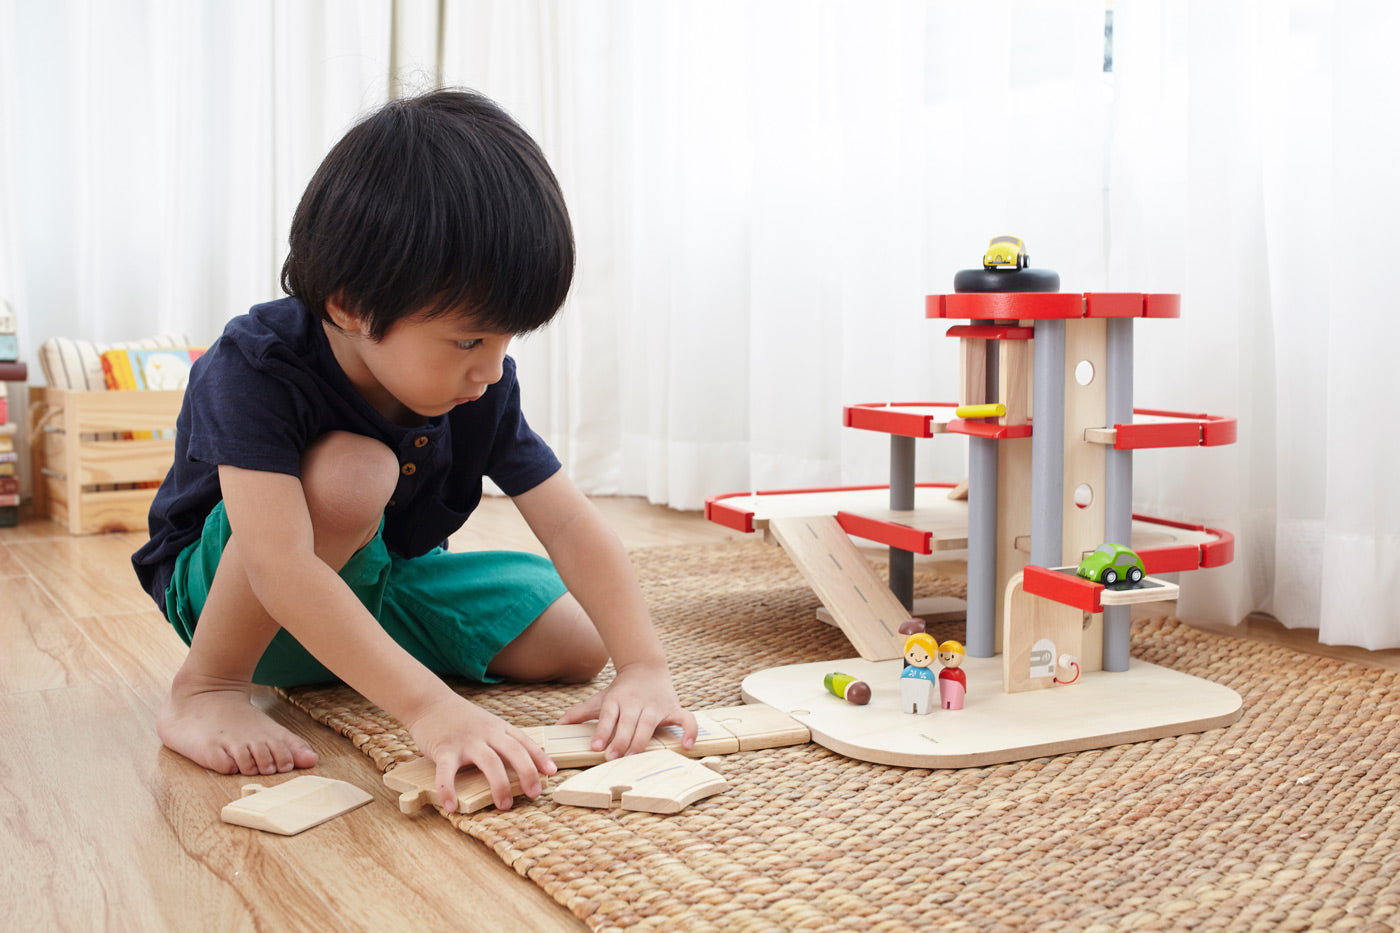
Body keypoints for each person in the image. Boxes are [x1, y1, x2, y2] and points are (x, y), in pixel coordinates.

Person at [131, 89, 697, 813]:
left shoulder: (480, 383)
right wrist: (431, 709)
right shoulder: (255, 366)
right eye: (470, 340)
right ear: (351, 305)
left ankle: (359, 656)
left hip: (384, 578)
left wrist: (643, 665)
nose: (491, 369)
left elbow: (568, 524)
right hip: (240, 596)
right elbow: (278, 565)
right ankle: (205, 689)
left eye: (506, 341)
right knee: (352, 473)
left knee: (578, 642)